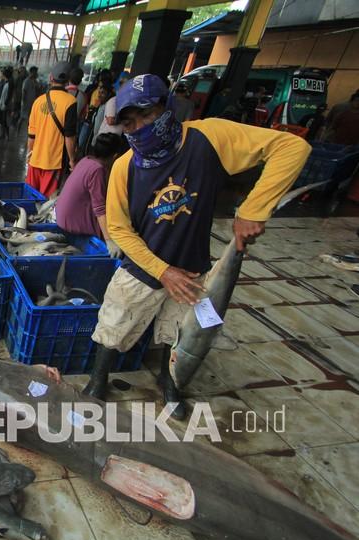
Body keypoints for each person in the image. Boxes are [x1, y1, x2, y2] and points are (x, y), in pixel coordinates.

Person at [84, 74, 311, 420]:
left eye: (148, 115)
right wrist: (163, 271)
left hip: (192, 266)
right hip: (143, 268)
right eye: (130, 122)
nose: (140, 127)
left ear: (168, 108)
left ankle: (169, 382)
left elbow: (292, 148)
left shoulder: (209, 137)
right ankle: (97, 380)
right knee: (114, 325)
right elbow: (119, 230)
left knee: (177, 331)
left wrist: (253, 210)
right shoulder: (123, 167)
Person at [56, 133, 126, 258]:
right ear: (115, 157)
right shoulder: (98, 170)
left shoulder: (86, 160)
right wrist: (109, 240)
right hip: (71, 223)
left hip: (61, 217)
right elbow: (100, 208)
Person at [26, 61, 78, 197]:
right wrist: (72, 160)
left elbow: (32, 135)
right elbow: (69, 136)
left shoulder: (38, 101)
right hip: (54, 163)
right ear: (67, 81)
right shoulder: (70, 102)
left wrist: (29, 154)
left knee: (30, 198)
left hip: (35, 161)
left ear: (50, 78)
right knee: (46, 203)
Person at [18, 66, 40, 133]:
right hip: (26, 103)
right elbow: (24, 92)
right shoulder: (26, 81)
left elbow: (37, 92)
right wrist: (23, 103)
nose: (36, 74)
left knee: (30, 119)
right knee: (22, 118)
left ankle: (28, 134)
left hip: (32, 104)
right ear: (31, 73)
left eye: (36, 72)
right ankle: (17, 132)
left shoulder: (35, 81)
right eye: (35, 72)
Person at [0, 67, 13, 140]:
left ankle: (6, 136)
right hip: (2, 104)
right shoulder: (6, 82)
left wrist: (6, 104)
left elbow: (9, 95)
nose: (1, 75)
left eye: (2, 74)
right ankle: (3, 135)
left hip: (5, 105)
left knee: (4, 120)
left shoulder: (9, 83)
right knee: (1, 120)